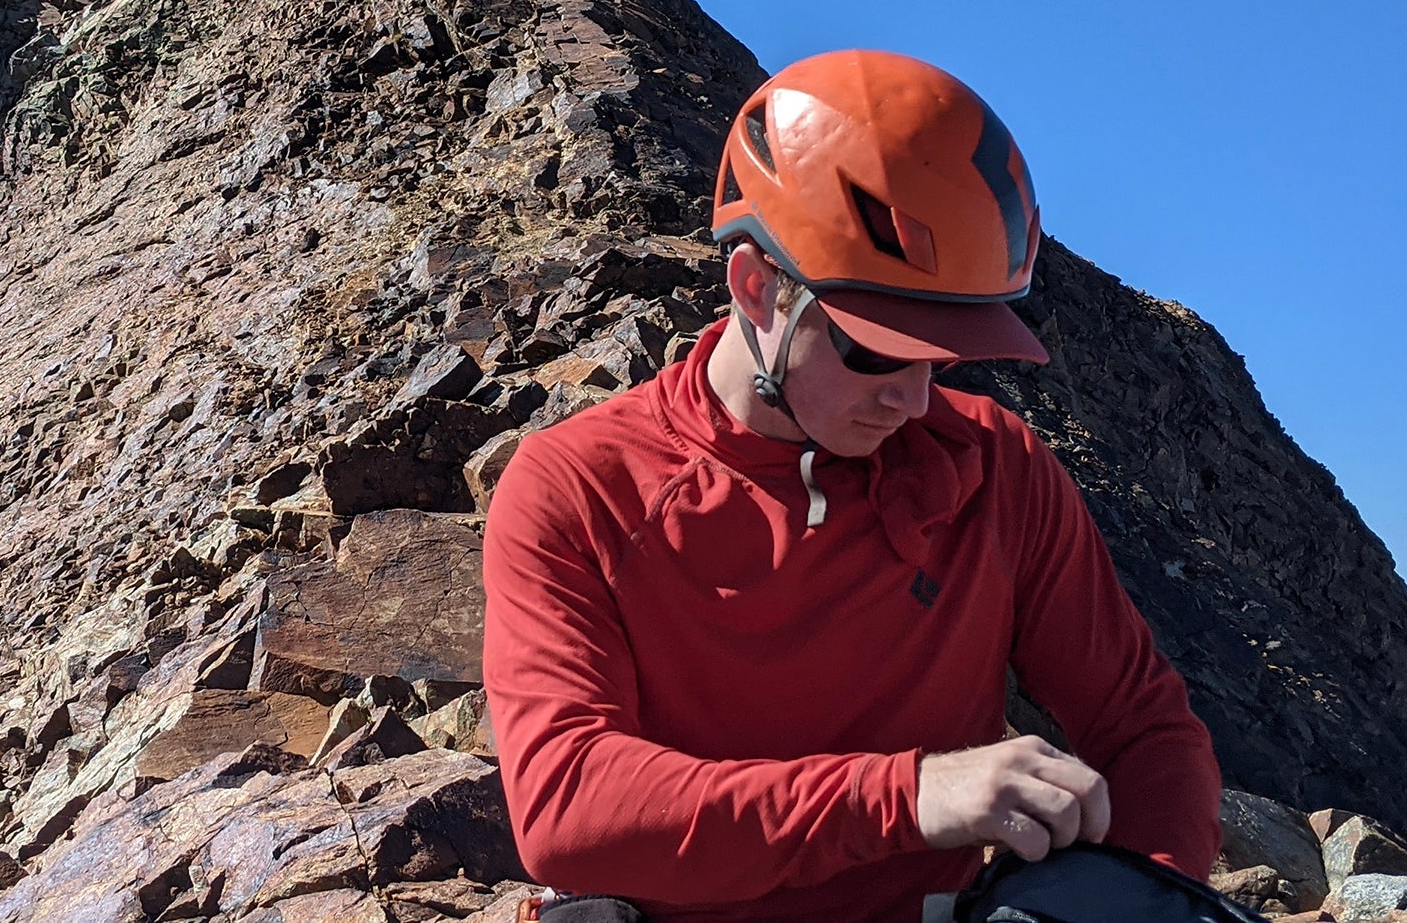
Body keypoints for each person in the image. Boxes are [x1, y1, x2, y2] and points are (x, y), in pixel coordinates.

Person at [482, 50, 1223, 923]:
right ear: (757, 289)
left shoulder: (995, 464)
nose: (914, 399)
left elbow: (1144, 731)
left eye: (942, 354)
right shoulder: (579, 486)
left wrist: (1140, 900)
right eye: (874, 347)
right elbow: (569, 807)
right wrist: (908, 798)